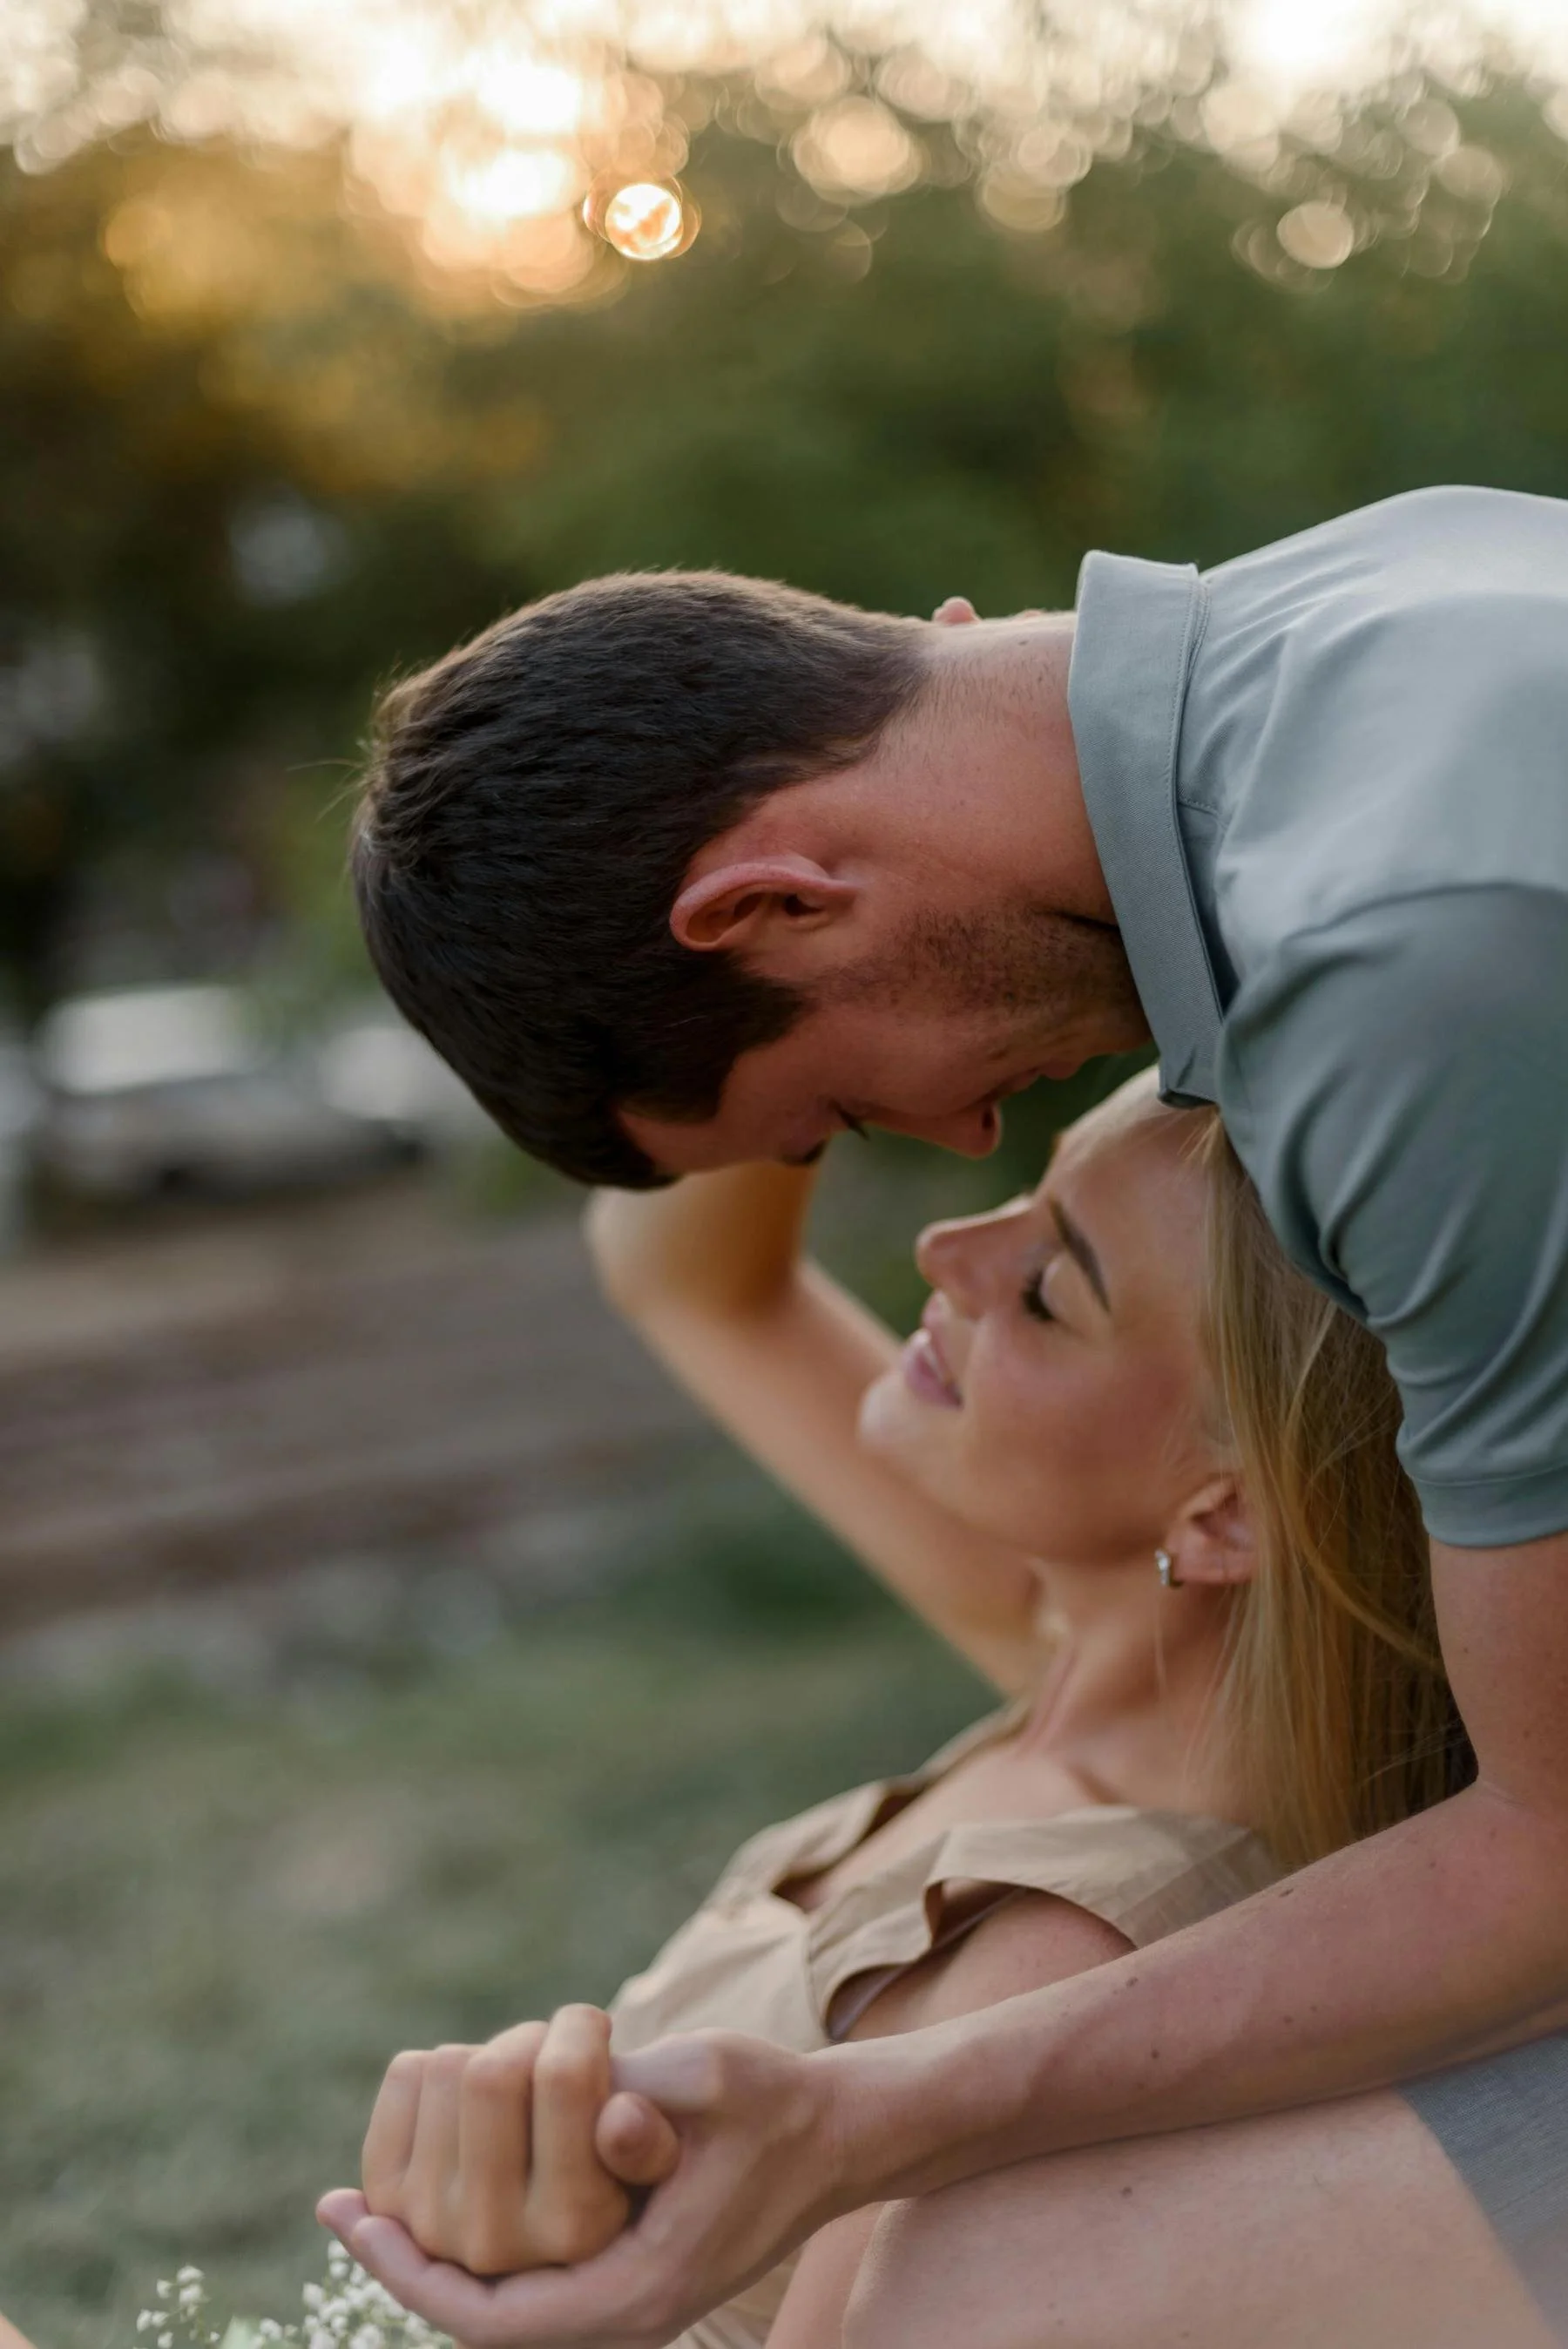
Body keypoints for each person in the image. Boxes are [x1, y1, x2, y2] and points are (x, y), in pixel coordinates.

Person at [332, 484, 1568, 2342]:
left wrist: (855, 2123)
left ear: (770, 901)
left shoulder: (1395, 955)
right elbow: (689, 1262)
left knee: (997, 2279)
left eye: (837, 1112)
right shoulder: (1381, 594)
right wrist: (939, 719)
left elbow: (1553, 1855)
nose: (960, 1148)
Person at [324, 1071, 1471, 2344]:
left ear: (1225, 1515)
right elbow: (687, 1276)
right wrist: (848, 1045)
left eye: (1048, 1288)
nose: (949, 1246)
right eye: (1025, 1194)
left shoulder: (1059, 1955)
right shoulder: (1070, 1664)